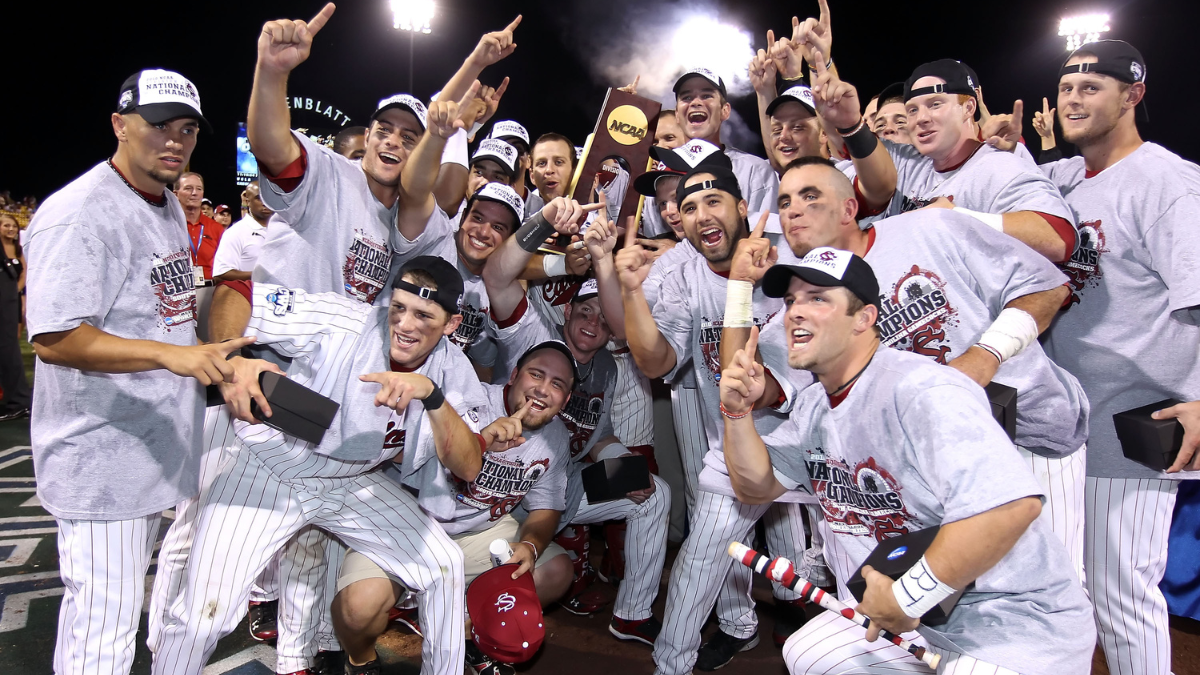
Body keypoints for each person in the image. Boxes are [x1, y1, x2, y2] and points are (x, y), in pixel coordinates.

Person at [718, 248, 1095, 674]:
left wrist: (908, 596)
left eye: (817, 298)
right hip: (925, 623)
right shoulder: (814, 409)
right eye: (790, 301)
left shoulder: (922, 389)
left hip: (1014, 625)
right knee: (810, 654)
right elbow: (755, 486)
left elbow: (1012, 507)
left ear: (863, 318)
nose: (795, 313)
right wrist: (736, 413)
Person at [747, 156, 1089, 577]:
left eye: (810, 196)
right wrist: (737, 288)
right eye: (784, 201)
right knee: (968, 607)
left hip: (1025, 431)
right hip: (925, 468)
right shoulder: (799, 311)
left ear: (849, 209)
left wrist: (983, 358)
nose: (793, 209)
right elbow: (758, 386)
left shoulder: (930, 228)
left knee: (1048, 587)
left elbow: (1048, 288)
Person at [151, 257, 484, 675]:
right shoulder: (345, 320)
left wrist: (433, 397)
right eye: (398, 307)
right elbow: (239, 291)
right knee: (205, 615)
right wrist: (231, 360)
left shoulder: (453, 369)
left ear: (451, 325)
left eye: (423, 315)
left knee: (443, 565)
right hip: (271, 469)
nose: (404, 323)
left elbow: (469, 467)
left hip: (351, 482)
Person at [23, 67, 250, 675]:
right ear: (120, 125)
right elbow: (53, 336)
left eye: (187, 129)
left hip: (146, 448)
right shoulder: (81, 211)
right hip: (99, 457)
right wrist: (170, 356)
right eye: (157, 126)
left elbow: (162, 313)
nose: (174, 141)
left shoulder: (166, 205)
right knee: (104, 630)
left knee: (114, 618)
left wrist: (214, 353)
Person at [616, 166, 817, 673]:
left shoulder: (791, 264)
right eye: (688, 208)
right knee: (713, 547)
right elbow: (657, 362)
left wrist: (744, 285)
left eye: (714, 202)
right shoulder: (685, 275)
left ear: (743, 207)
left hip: (806, 440)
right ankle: (707, 645)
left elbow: (744, 376)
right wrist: (634, 293)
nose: (702, 215)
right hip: (739, 434)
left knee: (782, 558)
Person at [1040, 40, 1200, 675]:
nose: (1073, 98)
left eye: (1092, 87)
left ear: (1132, 96)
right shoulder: (1066, 178)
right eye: (1067, 86)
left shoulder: (1167, 182)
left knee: (1121, 592)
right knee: (1069, 593)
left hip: (1138, 421)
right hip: (1066, 424)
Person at [483, 196, 672, 644]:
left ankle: (631, 614)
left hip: (564, 482)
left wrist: (629, 465)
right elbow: (497, 276)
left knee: (654, 492)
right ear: (567, 311)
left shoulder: (607, 367)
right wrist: (544, 219)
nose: (591, 322)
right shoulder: (537, 341)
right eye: (582, 311)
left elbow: (598, 434)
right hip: (505, 482)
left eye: (601, 318)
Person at [333, 340, 579, 675]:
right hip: (408, 523)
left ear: (564, 400)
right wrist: (478, 441)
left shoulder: (556, 437)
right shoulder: (467, 397)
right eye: (536, 375)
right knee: (357, 609)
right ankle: (361, 662)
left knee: (555, 570)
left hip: (480, 530)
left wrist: (532, 546)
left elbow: (546, 507)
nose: (542, 389)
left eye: (557, 385)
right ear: (515, 375)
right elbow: (398, 448)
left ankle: (465, 632)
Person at [881, 59, 1077, 262]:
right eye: (912, 110)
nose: (921, 117)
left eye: (935, 104)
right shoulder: (913, 166)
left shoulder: (998, 164)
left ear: (968, 108)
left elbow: (1058, 238)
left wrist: (956, 218)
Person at [673, 68, 778, 214]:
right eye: (687, 97)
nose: (696, 102)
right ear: (677, 115)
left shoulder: (754, 171)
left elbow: (765, 231)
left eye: (706, 95)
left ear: (725, 111)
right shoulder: (659, 174)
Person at [0, 212, 31, 421]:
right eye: (5, 225)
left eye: (12, 226)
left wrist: (15, 293)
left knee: (8, 348)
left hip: (9, 300)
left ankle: (18, 402)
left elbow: (24, 274)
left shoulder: (18, 249)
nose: (10, 229)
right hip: (8, 299)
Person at [212, 181, 273, 283]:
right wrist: (259, 276)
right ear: (247, 201)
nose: (265, 202)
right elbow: (221, 274)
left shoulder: (283, 230)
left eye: (269, 197)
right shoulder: (236, 232)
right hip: (250, 296)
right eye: (259, 198)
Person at [175, 172, 225, 286]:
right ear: (175, 194)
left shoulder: (216, 228)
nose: (194, 193)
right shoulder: (169, 226)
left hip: (210, 289)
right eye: (188, 188)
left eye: (199, 189)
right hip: (179, 291)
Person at [524, 132, 576, 219]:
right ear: (532, 176)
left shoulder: (596, 222)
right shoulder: (521, 226)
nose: (549, 170)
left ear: (574, 171)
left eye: (558, 162)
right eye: (542, 163)